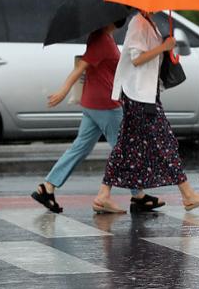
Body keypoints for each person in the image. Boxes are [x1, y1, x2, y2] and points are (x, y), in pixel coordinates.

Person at [99, 10, 199, 212]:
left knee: (126, 146)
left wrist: (166, 46)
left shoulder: (148, 22)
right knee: (165, 141)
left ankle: (103, 195)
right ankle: (188, 195)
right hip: (138, 95)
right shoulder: (138, 23)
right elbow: (136, 59)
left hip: (144, 93)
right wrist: (163, 47)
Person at [31, 22, 143, 214]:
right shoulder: (102, 41)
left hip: (94, 103)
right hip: (105, 105)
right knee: (123, 149)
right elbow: (80, 67)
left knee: (80, 148)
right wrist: (63, 91)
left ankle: (47, 187)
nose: (120, 22)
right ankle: (133, 196)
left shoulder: (101, 37)